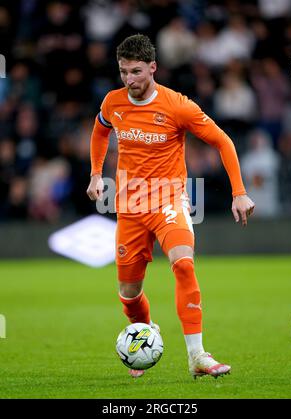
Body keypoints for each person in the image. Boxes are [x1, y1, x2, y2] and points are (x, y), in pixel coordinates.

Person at [86, 34, 255, 379]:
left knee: (183, 264)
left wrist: (239, 191)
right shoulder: (112, 102)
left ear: (153, 68)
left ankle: (197, 356)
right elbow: (100, 131)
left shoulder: (177, 106)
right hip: (129, 205)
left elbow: (223, 140)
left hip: (169, 199)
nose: (129, 80)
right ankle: (146, 335)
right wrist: (95, 174)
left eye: (136, 72)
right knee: (129, 294)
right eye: (123, 72)